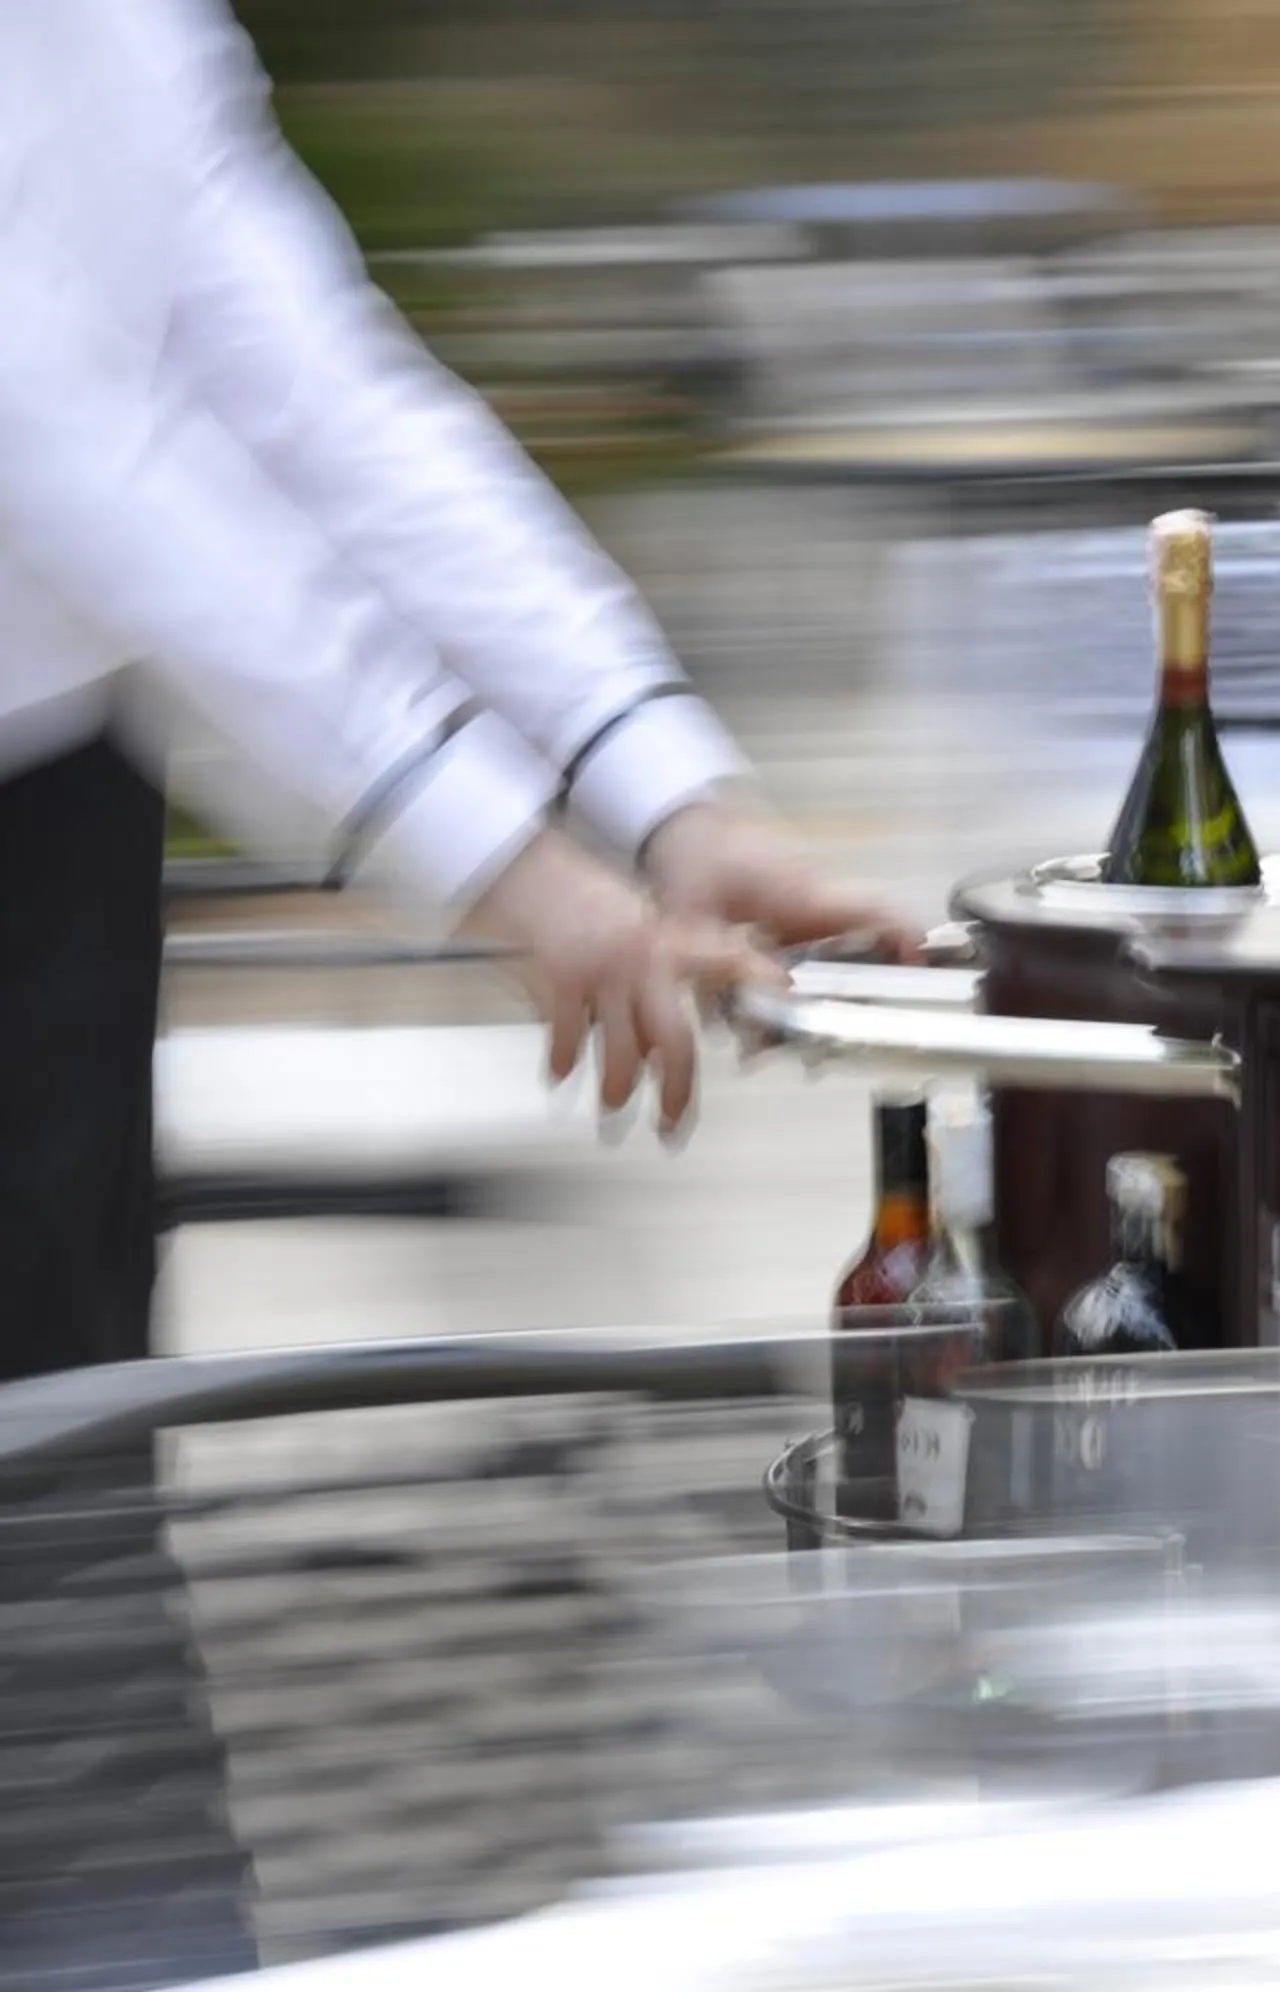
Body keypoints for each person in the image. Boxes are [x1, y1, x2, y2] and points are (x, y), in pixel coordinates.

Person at [0, 4, 906, 1977]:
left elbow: (305, 378)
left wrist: (661, 782)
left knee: (59, 1565)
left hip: (46, 832)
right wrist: (509, 866)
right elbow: (58, 442)